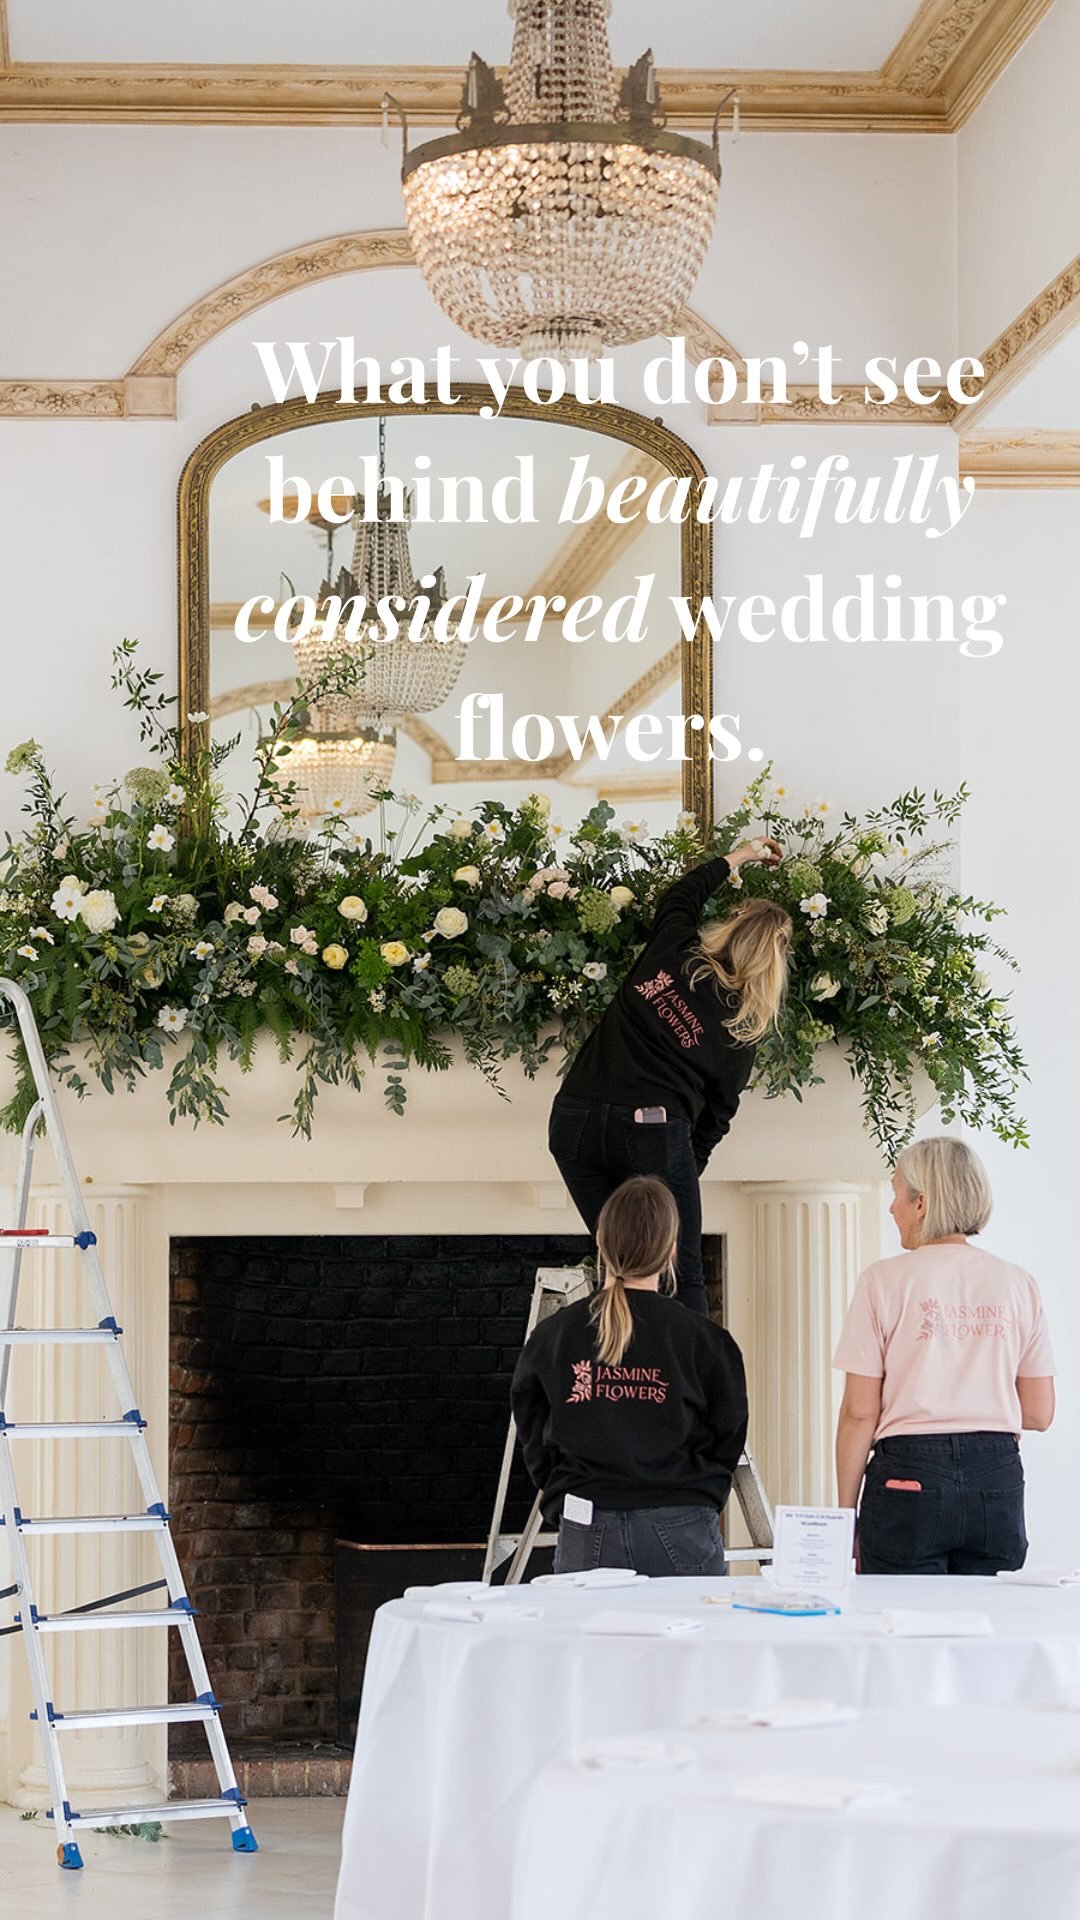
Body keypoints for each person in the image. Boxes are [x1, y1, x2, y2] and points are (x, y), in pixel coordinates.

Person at [549, 840, 790, 1316]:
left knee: (620, 1265)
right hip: (653, 1132)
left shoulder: (671, 948)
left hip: (573, 1120)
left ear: (730, 925)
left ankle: (619, 1359)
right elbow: (717, 1117)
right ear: (775, 963)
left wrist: (738, 857)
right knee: (681, 1276)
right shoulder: (741, 1027)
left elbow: (682, 895)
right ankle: (686, 1368)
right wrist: (678, 1170)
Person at [834, 1136, 1055, 1576]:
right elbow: (1038, 1413)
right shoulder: (1018, 1283)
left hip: (907, 1475)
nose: (890, 1208)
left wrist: (844, 1518)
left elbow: (860, 1413)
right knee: (988, 1614)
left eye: (896, 1193)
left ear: (921, 1203)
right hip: (995, 1476)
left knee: (898, 1615)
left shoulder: (882, 1281)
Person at [510, 1174, 749, 1576]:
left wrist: (562, 1486)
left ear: (600, 1241)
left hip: (586, 1520)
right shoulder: (706, 1340)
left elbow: (531, 1423)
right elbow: (729, 1434)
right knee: (688, 1622)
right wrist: (697, 1490)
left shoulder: (554, 1335)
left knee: (588, 1624)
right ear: (672, 1250)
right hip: (681, 1519)